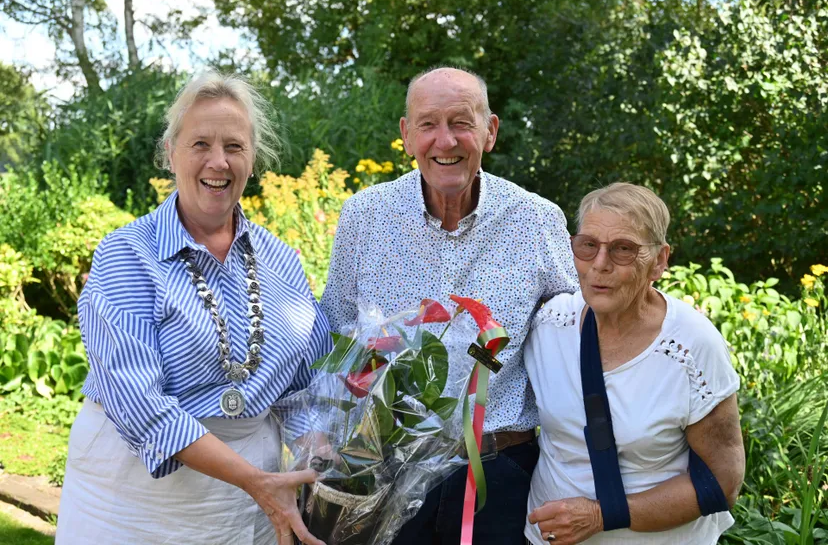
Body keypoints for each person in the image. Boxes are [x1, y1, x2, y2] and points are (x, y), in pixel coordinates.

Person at [56, 70, 330, 545]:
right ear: (171, 153)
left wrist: (324, 455)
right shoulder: (127, 255)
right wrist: (256, 481)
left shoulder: (281, 260)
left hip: (246, 506)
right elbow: (139, 404)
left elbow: (301, 388)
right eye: (200, 143)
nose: (218, 162)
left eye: (235, 146)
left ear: (253, 158)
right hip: (131, 498)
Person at [321, 66, 579, 544]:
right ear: (405, 135)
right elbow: (337, 335)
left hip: (497, 477)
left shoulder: (538, 221)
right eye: (428, 124)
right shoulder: (364, 215)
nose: (446, 141)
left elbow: (574, 342)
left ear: (490, 131)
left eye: (461, 122)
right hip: (384, 470)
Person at [524, 183, 745, 544]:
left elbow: (723, 482)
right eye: (588, 245)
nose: (600, 265)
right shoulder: (549, 324)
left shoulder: (692, 346)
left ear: (659, 260)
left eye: (623, 250)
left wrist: (599, 516)